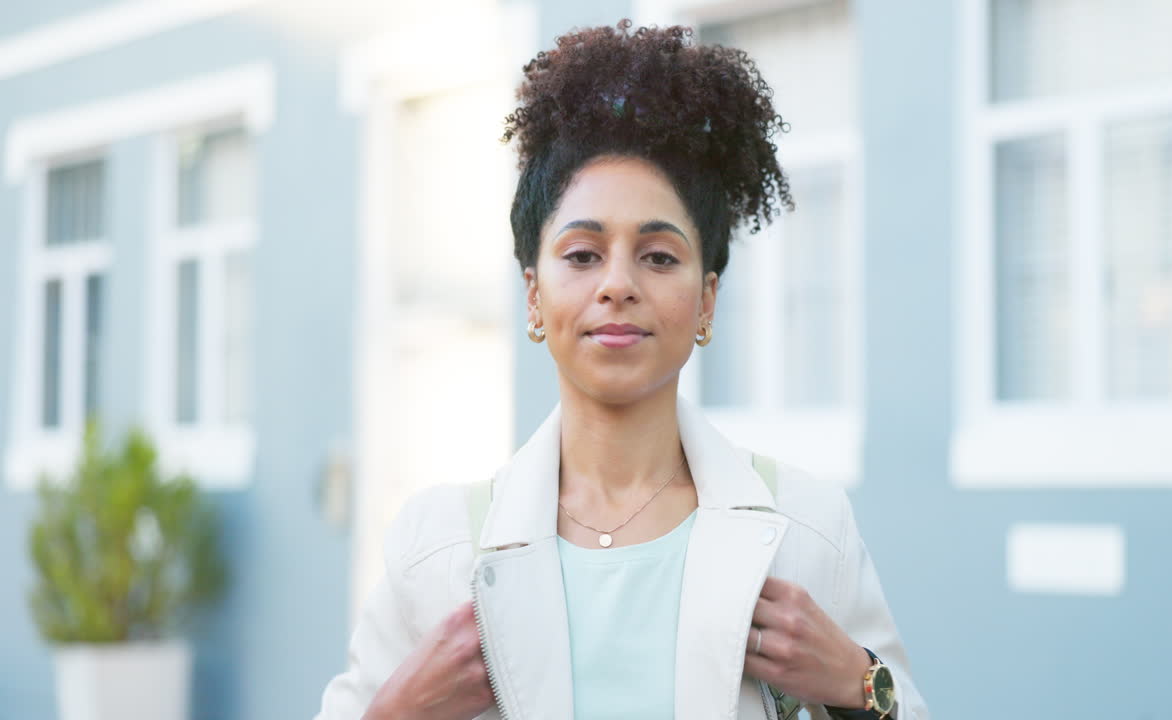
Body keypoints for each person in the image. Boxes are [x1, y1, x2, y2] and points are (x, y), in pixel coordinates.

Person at [316, 19, 928, 720]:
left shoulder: (808, 528)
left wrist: (859, 681)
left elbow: (899, 703)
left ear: (706, 300)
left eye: (659, 256)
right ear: (533, 294)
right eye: (582, 254)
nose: (617, 284)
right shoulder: (437, 547)